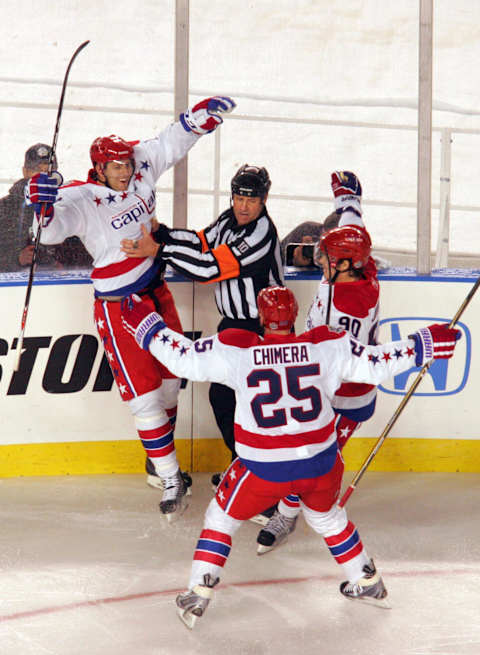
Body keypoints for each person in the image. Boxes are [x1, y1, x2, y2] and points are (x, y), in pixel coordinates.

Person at [119, 285, 460, 628]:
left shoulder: (238, 348)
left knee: (221, 518)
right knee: (328, 519)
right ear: (294, 315)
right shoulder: (326, 345)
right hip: (322, 463)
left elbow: (184, 358)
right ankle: (366, 581)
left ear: (260, 317)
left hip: (265, 467)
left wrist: (148, 325)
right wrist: (421, 345)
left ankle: (198, 592)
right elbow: (375, 364)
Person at [25, 95, 236, 520]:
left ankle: (158, 460)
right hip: (119, 307)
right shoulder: (81, 197)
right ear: (99, 168)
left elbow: (167, 143)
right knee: (144, 398)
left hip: (156, 290)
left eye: (126, 164)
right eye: (117, 166)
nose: (126, 171)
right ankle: (170, 475)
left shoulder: (139, 166)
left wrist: (196, 121)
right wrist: (41, 204)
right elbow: (48, 232)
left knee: (172, 381)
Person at [120, 164, 284, 494]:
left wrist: (160, 249)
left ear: (264, 199)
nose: (242, 206)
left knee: (240, 402)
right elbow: (201, 241)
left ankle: (259, 485)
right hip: (235, 326)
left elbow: (209, 268)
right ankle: (247, 471)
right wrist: (163, 232)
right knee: (228, 400)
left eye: (251, 200)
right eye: (238, 197)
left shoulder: (260, 234)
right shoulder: (229, 219)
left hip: (263, 331)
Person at [257, 171, 381, 553]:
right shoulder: (364, 266)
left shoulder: (343, 309)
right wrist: (347, 197)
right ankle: (291, 506)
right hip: (328, 391)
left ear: (345, 264)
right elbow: (351, 220)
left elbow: (326, 357)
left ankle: (287, 515)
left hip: (343, 396)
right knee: (306, 452)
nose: (318, 261)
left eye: (326, 258)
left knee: (313, 456)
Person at [0, 143, 91, 272]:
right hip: (14, 287)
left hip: (66, 284)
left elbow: (87, 250)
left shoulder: (70, 204)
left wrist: (61, 263)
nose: (42, 176)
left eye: (48, 171)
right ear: (24, 171)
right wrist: (17, 258)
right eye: (36, 170)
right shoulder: (4, 207)